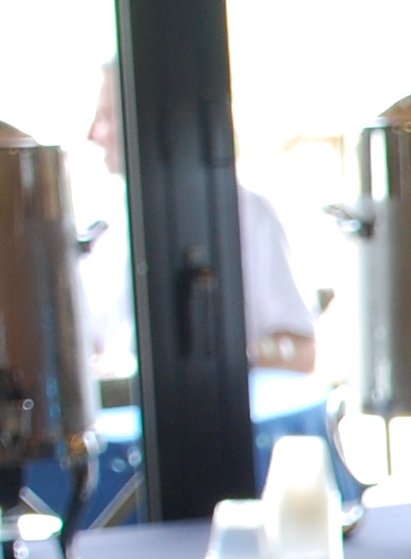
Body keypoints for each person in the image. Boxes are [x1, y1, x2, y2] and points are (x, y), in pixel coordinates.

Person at [75, 65, 319, 373]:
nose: (92, 136)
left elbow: (301, 350)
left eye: (106, 117)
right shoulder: (111, 226)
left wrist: (231, 357)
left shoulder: (245, 214)